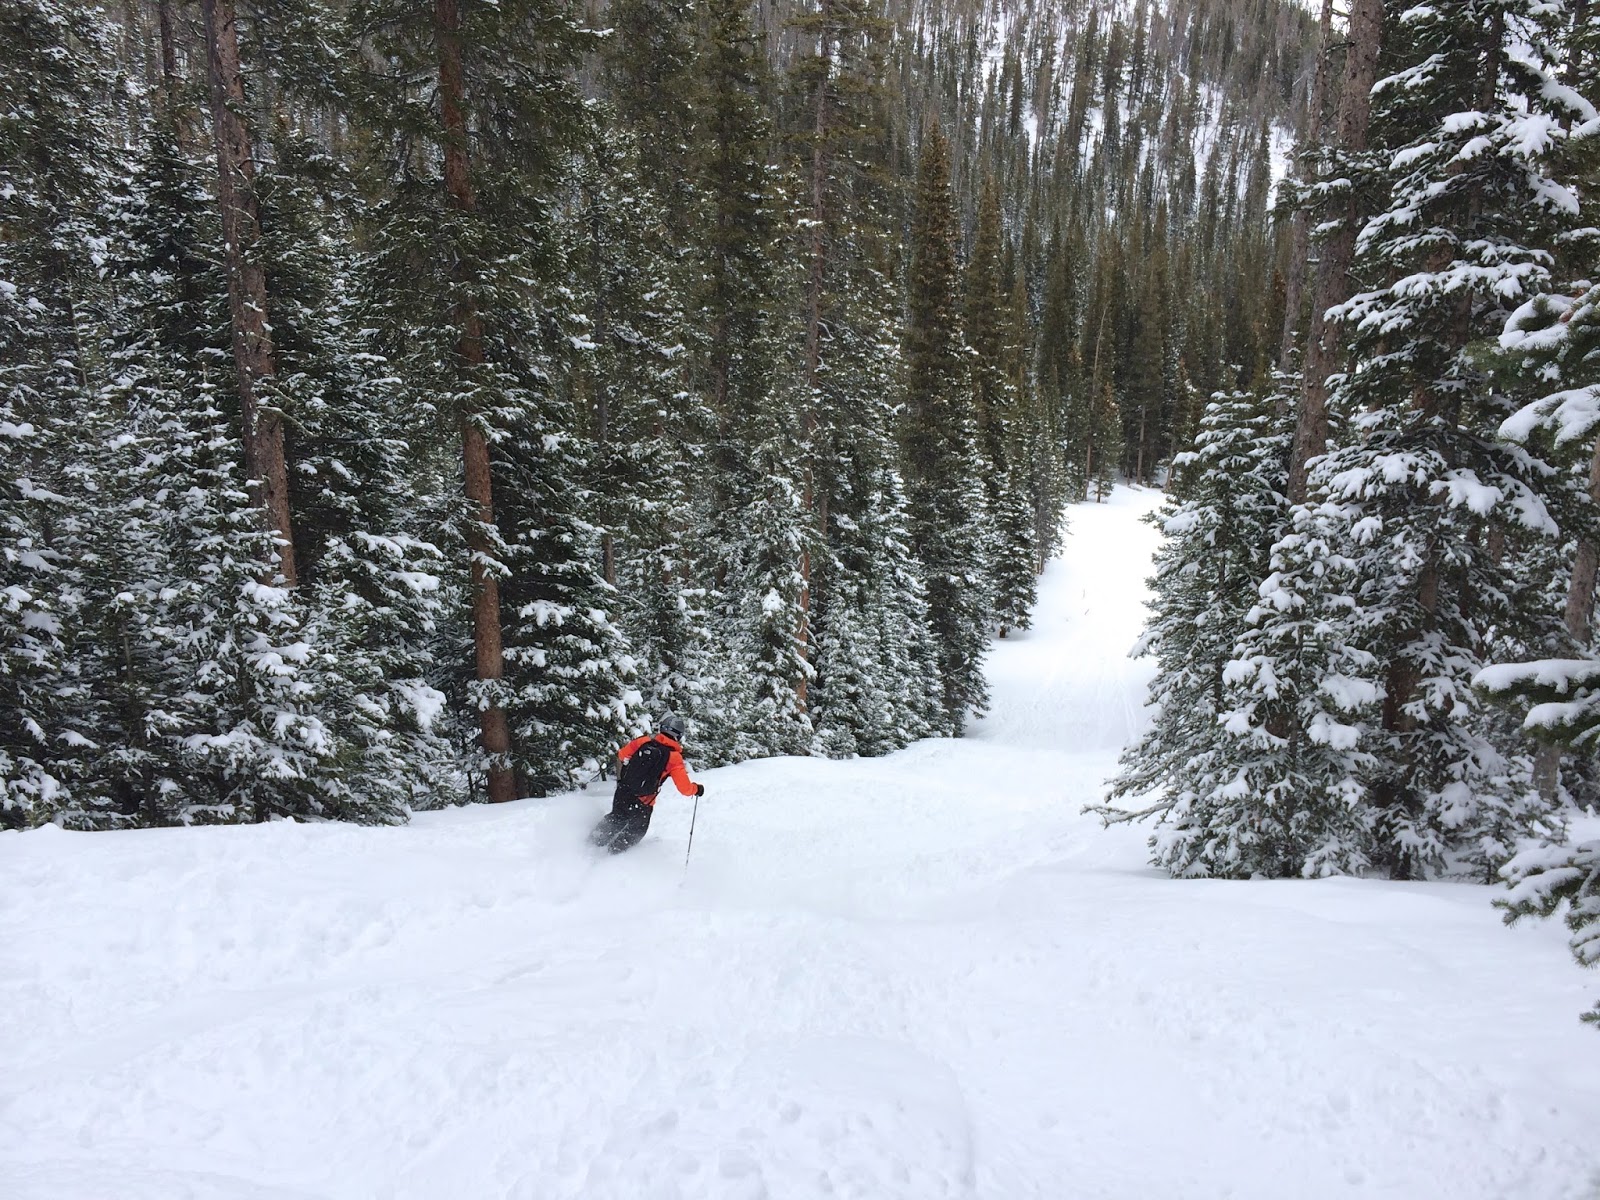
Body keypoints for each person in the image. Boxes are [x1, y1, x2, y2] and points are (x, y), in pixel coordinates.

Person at [588, 714, 704, 854]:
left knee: (616, 818)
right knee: (636, 831)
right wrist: (696, 789)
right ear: (678, 736)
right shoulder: (674, 758)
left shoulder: (643, 741)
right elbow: (684, 789)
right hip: (644, 800)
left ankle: (591, 843)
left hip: (624, 791)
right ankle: (613, 855)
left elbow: (621, 756)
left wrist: (621, 781)